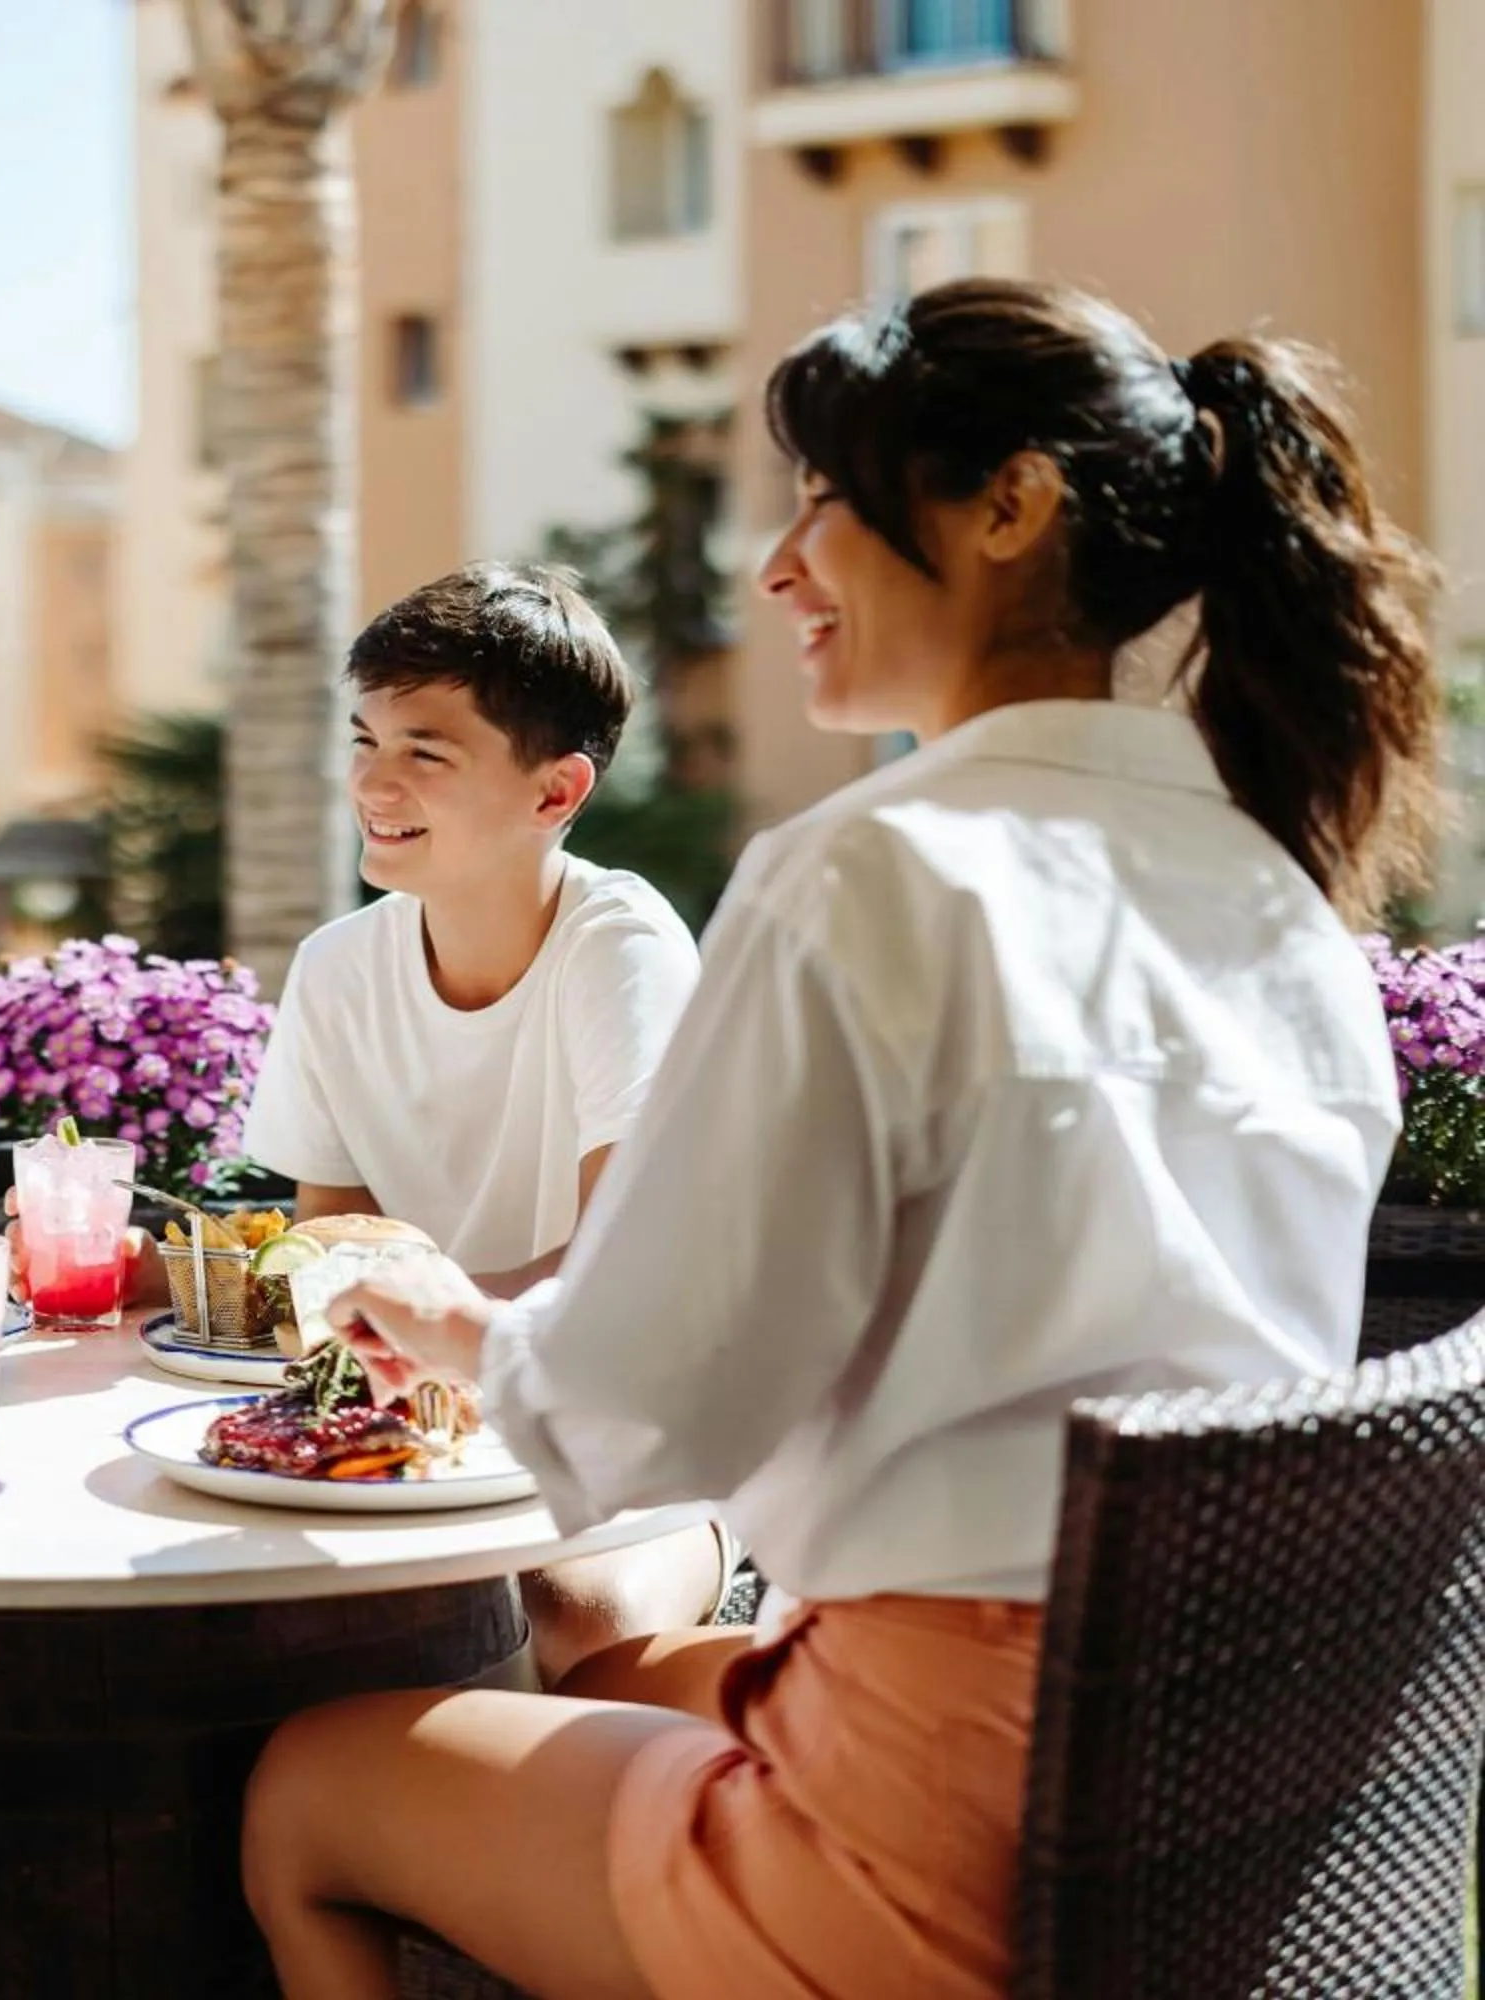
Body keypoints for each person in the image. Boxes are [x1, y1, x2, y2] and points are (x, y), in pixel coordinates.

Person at [241, 277, 1433, 1999]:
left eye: (821, 499)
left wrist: (465, 1336)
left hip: (944, 1835)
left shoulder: (871, 870)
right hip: (1238, 1797)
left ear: (1010, 507)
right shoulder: (1283, 897)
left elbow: (657, 1404)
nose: (775, 562)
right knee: (604, 1680)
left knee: (309, 1782)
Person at [235, 565, 721, 1681]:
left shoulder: (621, 945)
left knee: (565, 1613)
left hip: (637, 1441)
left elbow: (620, 1269)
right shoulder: (337, 968)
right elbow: (334, 1261)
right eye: (364, 739)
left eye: (425, 752)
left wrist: (429, 1317)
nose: (372, 779)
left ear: (556, 793)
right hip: (437, 1431)